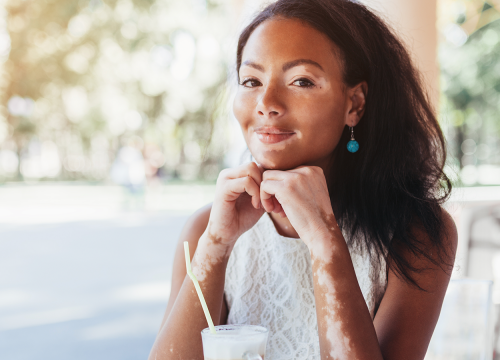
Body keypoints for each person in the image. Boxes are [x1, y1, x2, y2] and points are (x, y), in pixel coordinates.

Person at [149, 0, 458, 359]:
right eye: (251, 81)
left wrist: (324, 239)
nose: (266, 102)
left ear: (354, 104)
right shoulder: (206, 230)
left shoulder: (416, 235)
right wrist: (215, 247)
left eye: (301, 81)